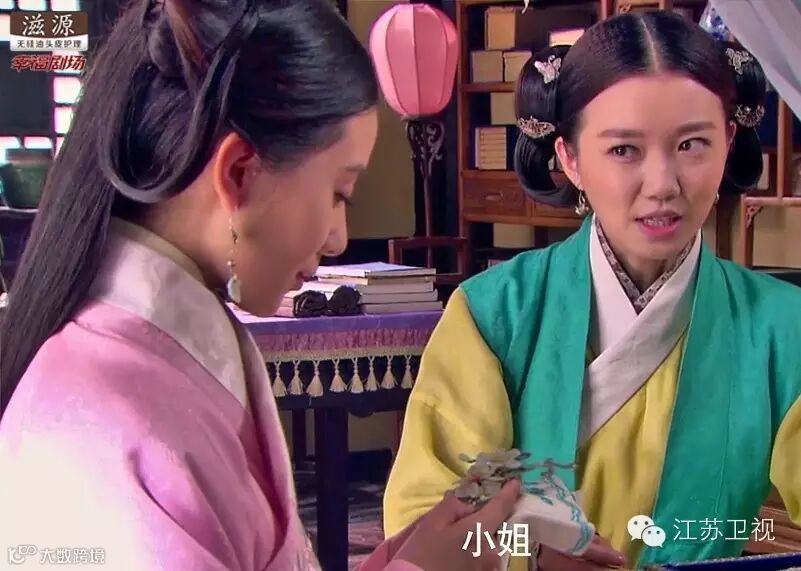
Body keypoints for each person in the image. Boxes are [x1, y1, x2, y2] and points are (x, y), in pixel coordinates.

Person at [0, 1, 521, 569]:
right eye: (339, 195)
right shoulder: (99, 418)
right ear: (239, 174)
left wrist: (412, 555)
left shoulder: (173, 352)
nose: (339, 238)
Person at [384, 10, 801, 571]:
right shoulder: (494, 315)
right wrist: (529, 554)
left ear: (728, 143)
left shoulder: (782, 328)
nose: (663, 185)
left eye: (692, 144)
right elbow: (427, 528)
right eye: (624, 150)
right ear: (571, 159)